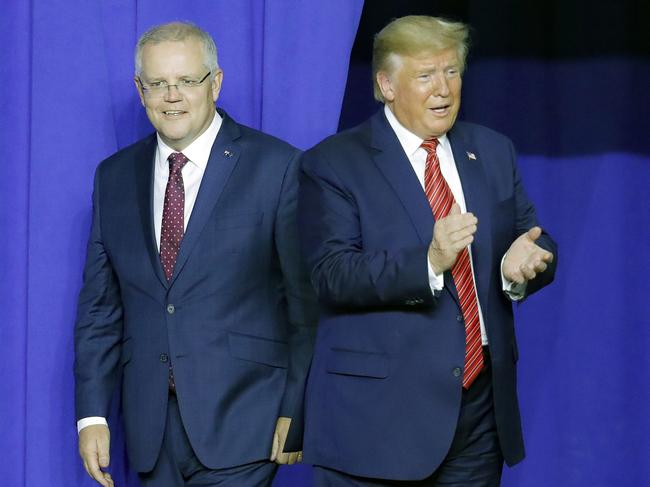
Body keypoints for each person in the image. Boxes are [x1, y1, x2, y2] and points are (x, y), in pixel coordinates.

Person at [298, 15, 557, 486]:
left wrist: (518, 270)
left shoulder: (492, 150)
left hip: (478, 415)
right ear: (386, 85)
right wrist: (429, 263)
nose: (443, 88)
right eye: (425, 76)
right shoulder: (333, 164)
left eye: (451, 72)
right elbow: (332, 274)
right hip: (377, 421)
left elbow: (532, 237)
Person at [74, 21, 317, 487]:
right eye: (158, 84)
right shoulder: (113, 177)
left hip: (247, 422)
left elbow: (304, 303)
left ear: (216, 83)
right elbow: (99, 311)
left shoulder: (278, 166)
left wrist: (297, 407)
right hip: (149, 432)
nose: (172, 96)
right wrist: (91, 416)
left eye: (187, 81)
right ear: (139, 90)